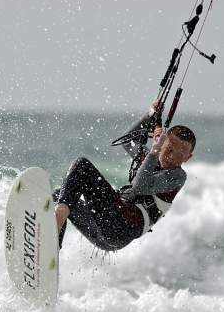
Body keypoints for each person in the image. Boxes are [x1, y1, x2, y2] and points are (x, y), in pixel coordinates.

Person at [52, 100, 196, 251]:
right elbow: (129, 140)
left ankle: (56, 225)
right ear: (163, 144)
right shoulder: (147, 159)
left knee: (82, 166)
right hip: (105, 233)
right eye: (169, 149)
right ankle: (53, 247)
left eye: (180, 154)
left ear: (188, 158)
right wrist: (150, 115)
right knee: (58, 196)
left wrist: (154, 151)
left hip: (121, 226)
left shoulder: (177, 176)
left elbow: (140, 186)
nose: (172, 157)